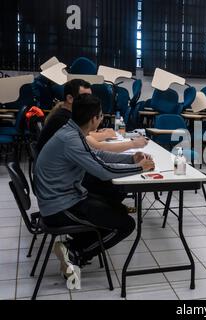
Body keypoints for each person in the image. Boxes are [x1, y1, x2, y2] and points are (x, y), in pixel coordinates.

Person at [34, 94, 155, 286]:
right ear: (93, 119)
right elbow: (103, 170)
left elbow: (97, 154)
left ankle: (73, 245)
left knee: (117, 209)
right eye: (100, 116)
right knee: (125, 224)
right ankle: (76, 252)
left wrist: (130, 159)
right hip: (58, 207)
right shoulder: (71, 139)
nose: (101, 119)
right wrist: (140, 168)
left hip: (62, 198)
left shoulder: (71, 132)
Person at [37, 79, 148, 153]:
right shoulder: (62, 119)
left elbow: (85, 136)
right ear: (70, 98)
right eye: (84, 96)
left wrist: (98, 133)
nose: (89, 101)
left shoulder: (67, 114)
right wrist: (133, 144)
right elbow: (97, 146)